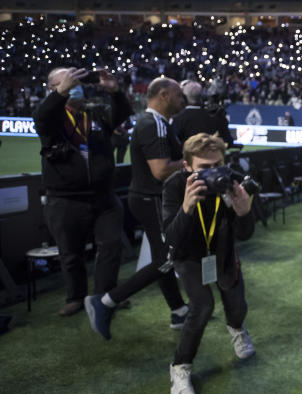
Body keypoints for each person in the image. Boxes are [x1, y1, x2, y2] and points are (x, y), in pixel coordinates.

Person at [84, 78, 189, 339]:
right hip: (152, 199)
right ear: (163, 95)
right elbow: (161, 170)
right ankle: (106, 301)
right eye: (178, 95)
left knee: (161, 258)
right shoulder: (153, 124)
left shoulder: (158, 123)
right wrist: (189, 163)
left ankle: (178, 310)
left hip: (148, 198)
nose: (182, 100)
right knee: (167, 258)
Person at [162, 133, 256, 394]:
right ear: (187, 166)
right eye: (204, 167)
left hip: (223, 251)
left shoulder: (231, 181)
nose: (213, 172)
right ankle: (180, 366)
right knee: (202, 306)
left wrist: (243, 210)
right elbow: (170, 239)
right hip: (189, 255)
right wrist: (186, 207)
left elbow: (246, 233)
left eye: (217, 164)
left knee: (237, 304)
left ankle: (237, 328)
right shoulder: (174, 185)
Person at [33, 67, 132, 316]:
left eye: (76, 79)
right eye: (67, 80)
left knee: (111, 245)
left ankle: (104, 296)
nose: (74, 83)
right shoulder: (53, 117)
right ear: (52, 87)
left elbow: (121, 115)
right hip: (65, 197)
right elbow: (42, 116)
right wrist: (60, 93)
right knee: (71, 253)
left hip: (103, 195)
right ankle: (75, 297)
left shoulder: (94, 113)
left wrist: (115, 91)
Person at [172, 80, 238, 148]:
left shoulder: (177, 119)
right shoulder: (217, 116)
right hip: (213, 157)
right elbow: (228, 142)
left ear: (184, 98)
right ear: (202, 96)